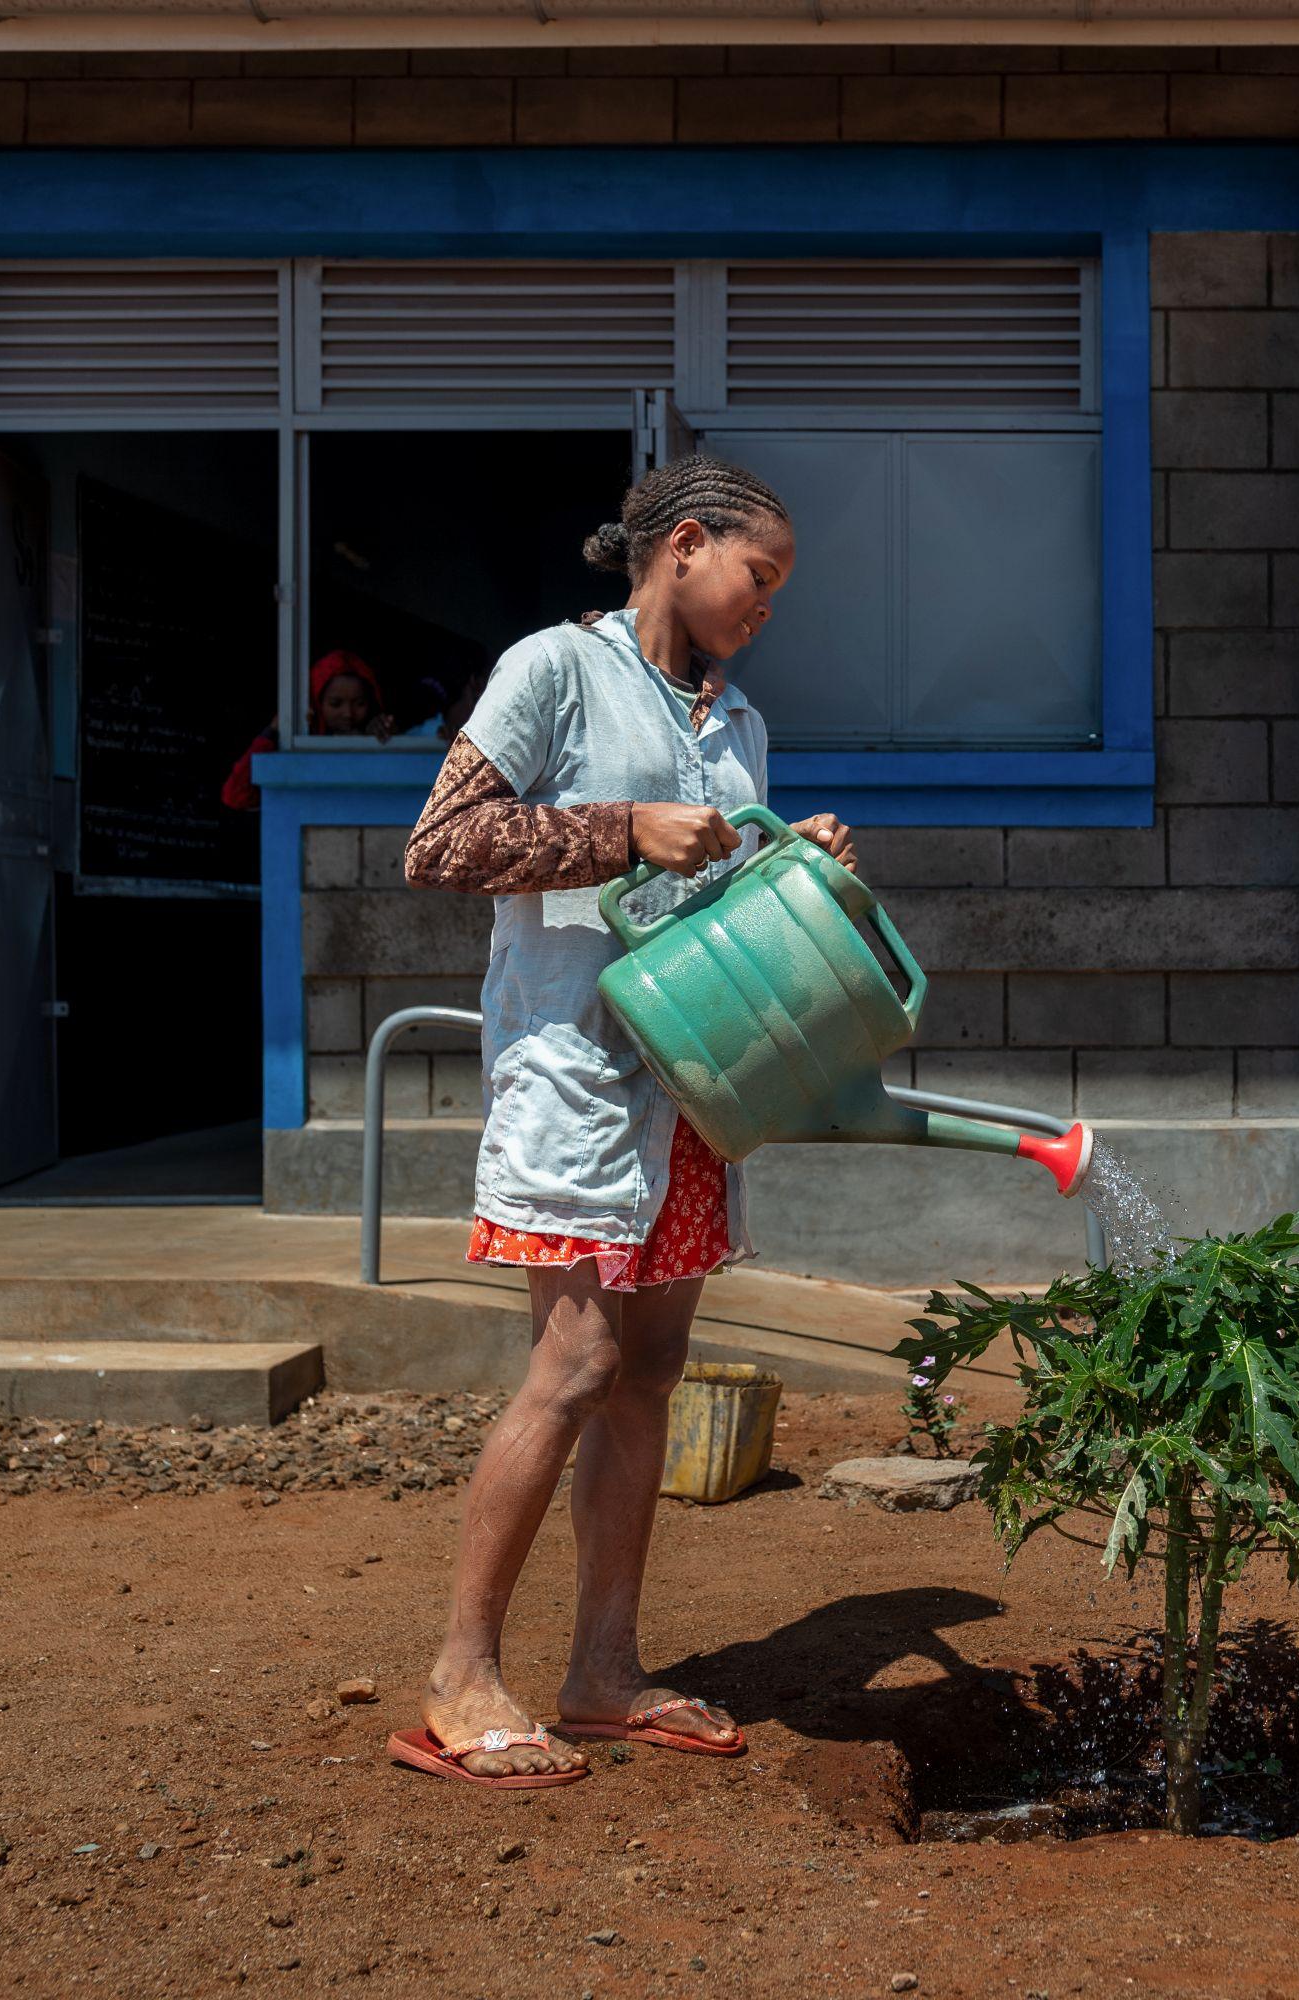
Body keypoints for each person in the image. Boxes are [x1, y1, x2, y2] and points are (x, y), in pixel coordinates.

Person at [387, 456, 856, 1787]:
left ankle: (603, 1668)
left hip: (692, 1083)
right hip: (578, 1074)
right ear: (687, 546)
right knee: (577, 1368)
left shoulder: (738, 722)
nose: (767, 609)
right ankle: (461, 1677)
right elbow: (438, 845)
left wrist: (791, 860)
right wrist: (617, 829)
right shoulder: (554, 669)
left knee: (650, 1373)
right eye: (758, 580)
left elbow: (712, 900)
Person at [219, 648, 399, 811]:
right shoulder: (297, 745)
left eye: (360, 704)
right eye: (335, 704)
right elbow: (236, 796)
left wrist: (388, 740)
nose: (348, 714)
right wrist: (274, 731)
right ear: (316, 704)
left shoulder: (381, 735)